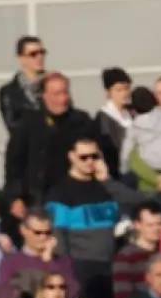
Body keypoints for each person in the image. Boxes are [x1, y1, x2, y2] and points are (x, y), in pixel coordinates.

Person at [46, 135, 142, 298]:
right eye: (84, 157)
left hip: (111, 270)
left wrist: (107, 181)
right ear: (71, 157)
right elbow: (59, 239)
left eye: (94, 156)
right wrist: (69, 277)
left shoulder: (106, 187)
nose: (90, 161)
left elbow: (139, 204)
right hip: (80, 271)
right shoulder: (60, 192)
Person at [17, 72, 99, 211]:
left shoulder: (81, 121)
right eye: (56, 94)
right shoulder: (30, 123)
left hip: (75, 194)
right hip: (39, 195)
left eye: (65, 93)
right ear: (44, 96)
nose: (62, 99)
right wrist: (15, 197)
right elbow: (15, 161)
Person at [0, 208, 77, 298]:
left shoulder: (62, 261)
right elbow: (4, 296)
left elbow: (72, 292)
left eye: (47, 232)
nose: (43, 237)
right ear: (23, 230)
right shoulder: (10, 262)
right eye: (37, 232)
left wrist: (49, 261)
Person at [0, 35, 49, 200]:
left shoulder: (53, 87)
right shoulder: (9, 92)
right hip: (25, 162)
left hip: (52, 159)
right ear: (21, 59)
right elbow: (14, 126)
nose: (40, 57)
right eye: (33, 54)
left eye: (42, 52)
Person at [95, 67, 135, 178]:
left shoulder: (132, 112)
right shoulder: (103, 118)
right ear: (108, 92)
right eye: (119, 90)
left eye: (126, 89)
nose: (124, 93)